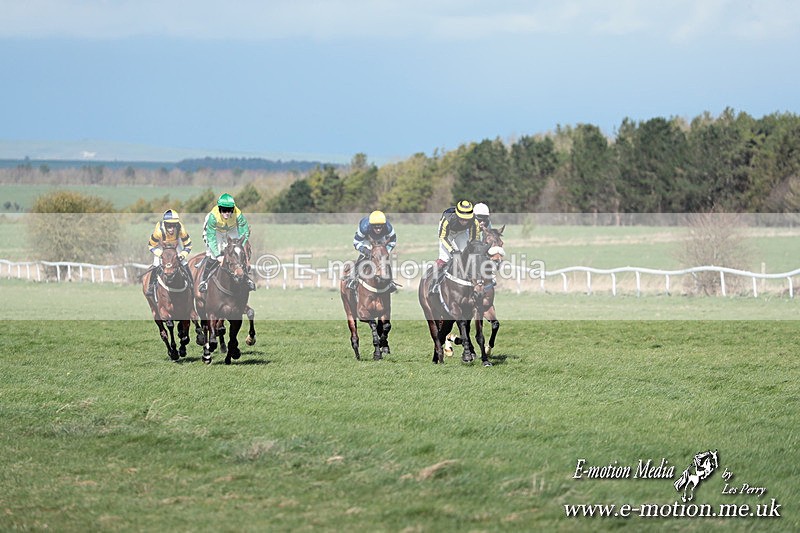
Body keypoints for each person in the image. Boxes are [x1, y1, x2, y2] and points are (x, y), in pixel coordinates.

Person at [197, 193, 256, 292]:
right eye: (224, 210)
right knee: (212, 255)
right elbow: (211, 238)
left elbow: (244, 231)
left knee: (237, 251)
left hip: (231, 229)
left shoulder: (238, 214)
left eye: (229, 210)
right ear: (219, 208)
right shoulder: (213, 217)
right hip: (216, 231)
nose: (227, 213)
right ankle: (204, 281)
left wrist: (241, 245)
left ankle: (246, 279)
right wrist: (217, 255)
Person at [430, 200, 480, 294]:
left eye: (467, 219)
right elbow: (442, 237)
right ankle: (434, 283)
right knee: (445, 258)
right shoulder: (447, 219)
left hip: (462, 233)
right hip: (447, 234)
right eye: (462, 218)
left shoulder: (474, 221)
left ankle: (474, 283)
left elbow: (474, 239)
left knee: (467, 256)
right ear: (457, 215)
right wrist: (452, 250)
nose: (464, 222)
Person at [144, 209, 193, 298]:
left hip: (175, 244)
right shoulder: (158, 231)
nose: (172, 229)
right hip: (161, 245)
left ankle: (191, 285)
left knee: (184, 263)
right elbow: (151, 245)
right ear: (165, 224)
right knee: (156, 264)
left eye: (174, 226)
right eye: (169, 226)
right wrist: (160, 254)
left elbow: (188, 244)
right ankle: (151, 287)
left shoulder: (181, 228)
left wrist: (183, 254)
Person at [346, 210, 397, 291]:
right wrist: (365, 250)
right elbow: (356, 242)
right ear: (371, 225)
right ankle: (353, 279)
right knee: (363, 257)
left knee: (384, 259)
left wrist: (386, 251)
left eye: (380, 227)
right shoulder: (364, 227)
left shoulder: (388, 227)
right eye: (375, 227)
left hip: (382, 240)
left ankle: (390, 282)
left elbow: (393, 241)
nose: (378, 229)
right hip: (367, 239)